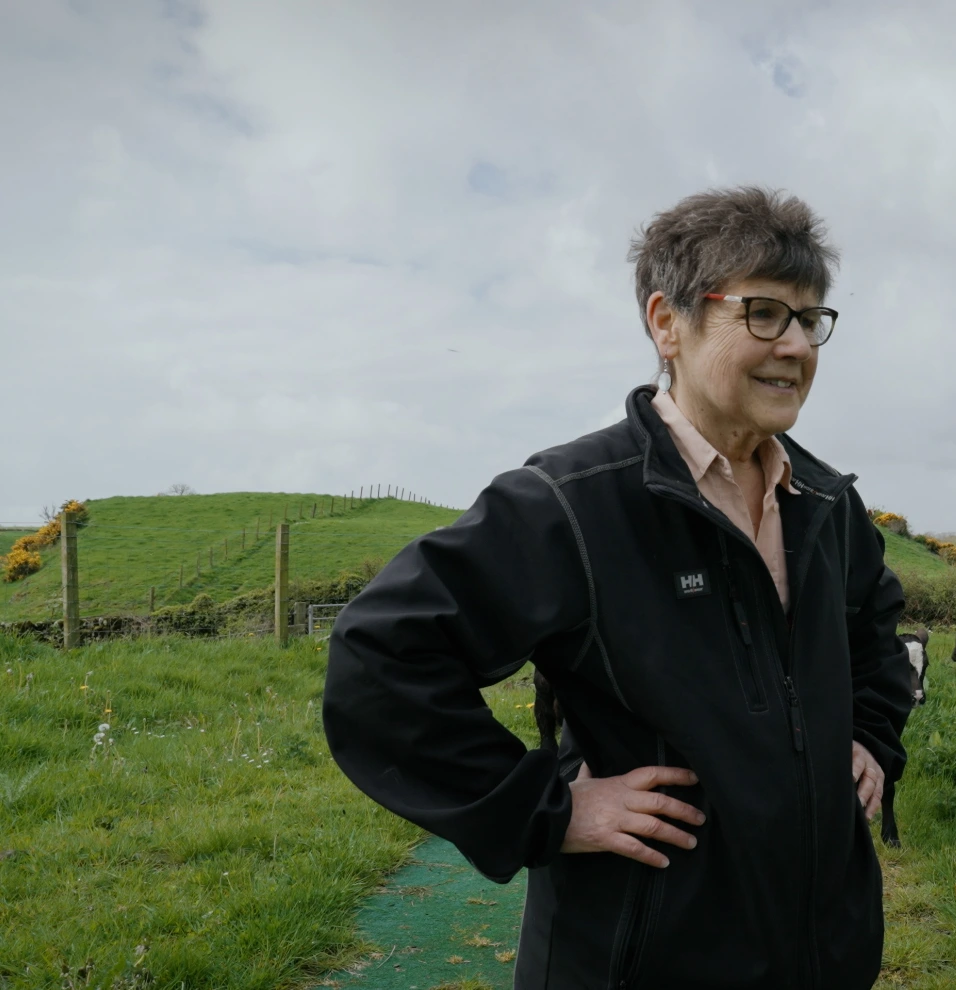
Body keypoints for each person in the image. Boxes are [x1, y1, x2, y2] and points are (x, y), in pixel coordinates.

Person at [323, 187, 915, 988]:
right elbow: (380, 660)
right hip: (638, 960)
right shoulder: (571, 502)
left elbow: (875, 636)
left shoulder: (827, 504)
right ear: (666, 322)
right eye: (765, 314)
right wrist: (548, 809)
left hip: (824, 951)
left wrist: (874, 738)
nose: (798, 346)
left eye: (812, 320)